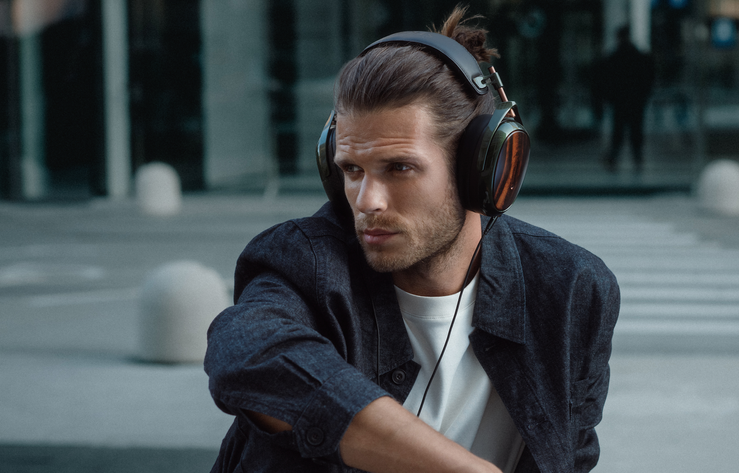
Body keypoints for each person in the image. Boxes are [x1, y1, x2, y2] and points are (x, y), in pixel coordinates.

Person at [204, 7, 619, 473]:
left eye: (399, 168)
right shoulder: (301, 262)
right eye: (352, 170)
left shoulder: (570, 289)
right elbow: (248, 354)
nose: (367, 201)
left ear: (480, 168)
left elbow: (574, 454)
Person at [598, 25, 654, 174]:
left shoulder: (614, 58)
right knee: (635, 130)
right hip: (635, 101)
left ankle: (615, 158)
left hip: (620, 101)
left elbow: (605, 81)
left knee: (619, 131)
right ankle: (637, 158)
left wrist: (609, 98)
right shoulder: (639, 57)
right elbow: (647, 79)